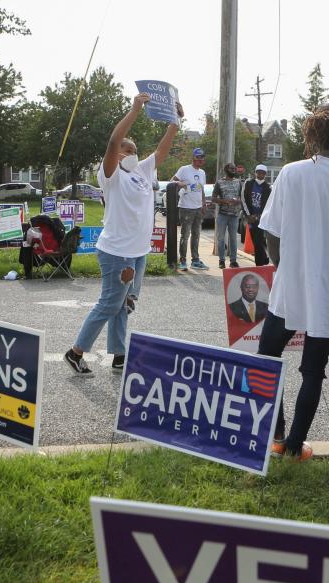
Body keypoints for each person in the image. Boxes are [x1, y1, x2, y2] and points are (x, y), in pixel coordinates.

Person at [257, 103, 329, 461]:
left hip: (290, 286)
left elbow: (270, 235)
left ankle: (274, 433)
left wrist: (285, 264)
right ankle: (294, 445)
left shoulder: (291, 174)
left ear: (312, 135)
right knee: (313, 370)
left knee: (267, 358)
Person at [64, 94, 182, 376]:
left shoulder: (142, 171)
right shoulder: (110, 175)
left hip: (138, 251)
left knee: (125, 304)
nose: (130, 153)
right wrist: (134, 111)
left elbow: (162, 152)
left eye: (134, 150)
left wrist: (174, 125)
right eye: (125, 150)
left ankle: (119, 355)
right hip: (117, 252)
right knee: (109, 304)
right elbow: (113, 141)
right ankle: (75, 352)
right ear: (116, 154)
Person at [172, 148, 208, 271]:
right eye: (198, 157)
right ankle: (182, 261)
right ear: (193, 158)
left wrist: (203, 204)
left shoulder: (202, 172)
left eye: (202, 157)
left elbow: (201, 189)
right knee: (185, 235)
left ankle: (195, 260)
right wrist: (179, 183)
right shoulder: (184, 169)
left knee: (196, 235)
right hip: (186, 207)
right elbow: (172, 181)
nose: (200, 160)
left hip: (198, 207)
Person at [213, 163, 242, 269]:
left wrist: (238, 201)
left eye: (235, 168)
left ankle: (233, 261)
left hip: (234, 215)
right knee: (220, 238)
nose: (234, 170)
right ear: (226, 170)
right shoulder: (219, 182)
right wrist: (225, 201)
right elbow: (213, 198)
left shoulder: (238, 182)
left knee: (233, 238)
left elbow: (242, 197)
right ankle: (221, 260)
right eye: (231, 168)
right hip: (222, 215)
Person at [242, 164, 271, 266]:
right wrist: (249, 215)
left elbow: (268, 204)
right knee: (255, 240)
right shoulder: (248, 183)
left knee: (258, 239)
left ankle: (259, 263)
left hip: (260, 218)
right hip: (250, 217)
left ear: (265, 174)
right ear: (255, 172)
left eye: (263, 173)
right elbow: (243, 198)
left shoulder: (267, 188)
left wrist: (259, 216)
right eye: (258, 172)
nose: (260, 174)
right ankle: (264, 259)